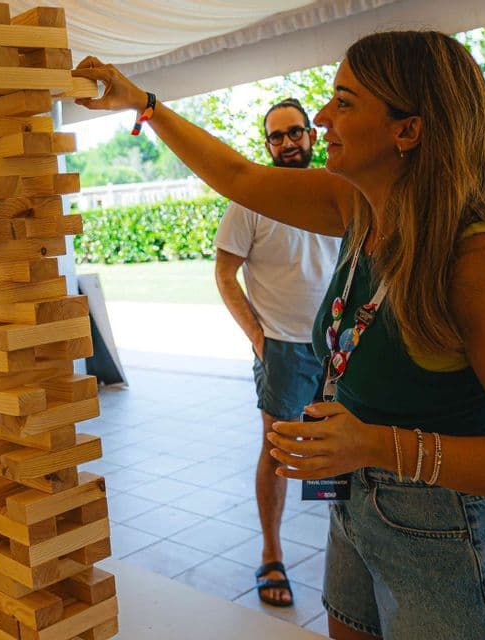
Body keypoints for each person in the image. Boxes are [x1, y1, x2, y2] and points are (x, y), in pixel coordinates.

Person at [74, 30, 485, 640]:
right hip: (360, 512)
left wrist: (373, 445)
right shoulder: (359, 208)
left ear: (408, 130)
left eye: (343, 102)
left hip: (464, 548)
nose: (319, 118)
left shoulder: (479, 260)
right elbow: (236, 174)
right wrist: (144, 104)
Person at [214, 98, 340, 607]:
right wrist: (257, 338)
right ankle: (272, 552)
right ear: (266, 145)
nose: (287, 143)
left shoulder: (338, 191)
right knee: (278, 452)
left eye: (295, 133)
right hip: (283, 350)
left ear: (311, 135)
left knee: (339, 448)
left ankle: (347, 550)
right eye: (276, 136)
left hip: (340, 349)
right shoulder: (251, 200)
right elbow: (224, 274)